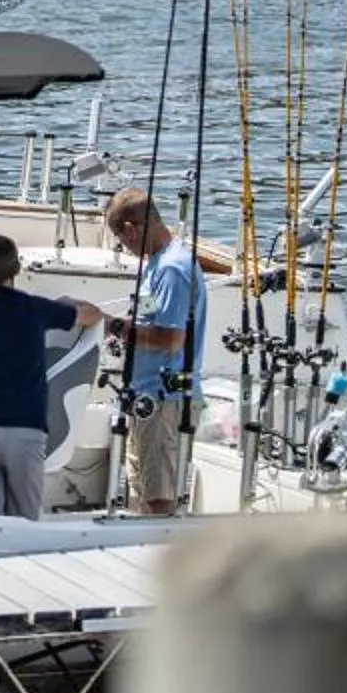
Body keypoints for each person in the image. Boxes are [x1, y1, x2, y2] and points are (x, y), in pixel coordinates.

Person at [0, 234, 102, 520]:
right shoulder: (34, 308)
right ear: (16, 270)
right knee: (23, 526)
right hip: (25, 432)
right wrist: (70, 303)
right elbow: (92, 315)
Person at [103, 185, 203, 515]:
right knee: (142, 489)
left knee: (159, 496)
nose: (126, 248)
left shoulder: (173, 269)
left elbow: (172, 338)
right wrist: (123, 325)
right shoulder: (155, 265)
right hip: (144, 396)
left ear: (130, 229)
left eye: (122, 239)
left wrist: (114, 326)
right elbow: (147, 319)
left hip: (164, 399)